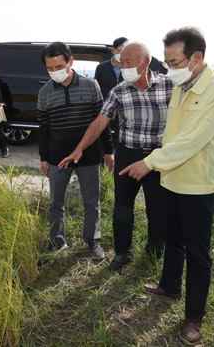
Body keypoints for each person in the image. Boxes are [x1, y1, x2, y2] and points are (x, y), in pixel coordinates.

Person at [120, 27, 214, 344]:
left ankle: (194, 318)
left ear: (196, 57)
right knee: (173, 238)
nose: (169, 69)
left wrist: (150, 162)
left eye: (174, 62)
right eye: (167, 62)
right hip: (171, 179)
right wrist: (158, 164)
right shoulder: (180, 86)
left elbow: (194, 140)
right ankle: (170, 286)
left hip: (199, 185)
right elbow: (172, 135)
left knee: (199, 254)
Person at [59, 41, 174, 271]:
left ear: (146, 62)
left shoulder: (169, 87)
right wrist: (80, 148)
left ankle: (154, 251)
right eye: (121, 63)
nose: (124, 68)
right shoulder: (119, 90)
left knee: (158, 209)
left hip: (158, 158)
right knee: (122, 208)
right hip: (128, 154)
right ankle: (123, 252)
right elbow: (99, 122)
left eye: (129, 62)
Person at [38, 42, 104, 259]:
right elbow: (44, 128)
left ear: (70, 62)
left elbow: (102, 122)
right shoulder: (45, 92)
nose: (55, 72)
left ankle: (92, 240)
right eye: (50, 68)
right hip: (57, 158)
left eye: (59, 66)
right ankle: (57, 241)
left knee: (91, 201)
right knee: (56, 201)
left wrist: (108, 151)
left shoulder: (91, 85)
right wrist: (44, 158)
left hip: (89, 155)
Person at [94, 36, 128, 171]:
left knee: (121, 138)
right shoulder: (102, 68)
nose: (122, 54)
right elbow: (97, 88)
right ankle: (103, 167)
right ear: (113, 50)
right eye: (120, 50)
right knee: (103, 136)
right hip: (106, 109)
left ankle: (120, 167)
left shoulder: (129, 67)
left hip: (124, 110)